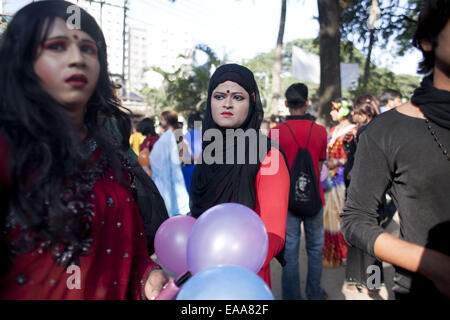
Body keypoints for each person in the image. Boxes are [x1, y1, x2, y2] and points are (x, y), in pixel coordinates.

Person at [0, 1, 169, 299]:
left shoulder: (110, 157)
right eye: (57, 46)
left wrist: (148, 276)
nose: (77, 58)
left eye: (88, 49)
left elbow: (128, 251)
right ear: (22, 59)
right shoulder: (7, 150)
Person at [341, 0, 450, 300]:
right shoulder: (383, 131)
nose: (354, 117)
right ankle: (364, 282)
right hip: (422, 288)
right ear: (428, 39)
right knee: (367, 259)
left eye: (357, 113)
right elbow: (355, 220)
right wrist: (434, 266)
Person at [190, 64, 290, 288]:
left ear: (252, 101)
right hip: (200, 275)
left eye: (237, 97)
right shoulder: (208, 152)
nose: (227, 104)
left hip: (243, 279)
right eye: (218, 96)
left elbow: (274, 233)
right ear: (210, 101)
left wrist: (230, 260)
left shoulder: (267, 155)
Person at [270, 83, 328, 300]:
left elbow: (272, 168)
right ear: (307, 102)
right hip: (315, 199)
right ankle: (314, 294)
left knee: (290, 254)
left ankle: (291, 297)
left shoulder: (276, 133)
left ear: (286, 104)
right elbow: (320, 166)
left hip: (287, 202)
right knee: (315, 250)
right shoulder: (320, 131)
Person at [341, 94, 386, 296]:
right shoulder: (358, 131)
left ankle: (371, 283)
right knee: (357, 239)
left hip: (370, 196)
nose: (353, 115)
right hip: (355, 193)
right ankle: (358, 281)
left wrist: (356, 171)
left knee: (373, 242)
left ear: (366, 112)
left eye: (356, 112)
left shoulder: (376, 131)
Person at [322, 98, 357, 268]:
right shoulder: (335, 129)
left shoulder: (354, 131)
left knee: (341, 215)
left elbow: (354, 157)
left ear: (342, 111)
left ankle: (344, 254)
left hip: (342, 179)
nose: (331, 113)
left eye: (334, 110)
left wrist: (336, 163)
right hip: (330, 177)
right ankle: (333, 253)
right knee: (329, 216)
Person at [150, 110, 190, 217]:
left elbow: (183, 158)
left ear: (166, 120)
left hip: (176, 177)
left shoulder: (169, 137)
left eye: (161, 118)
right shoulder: (176, 137)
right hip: (179, 176)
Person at [181, 112, 203, 194]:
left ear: (189, 124)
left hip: (190, 171)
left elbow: (183, 159)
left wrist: (195, 158)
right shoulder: (205, 136)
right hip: (203, 171)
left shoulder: (186, 136)